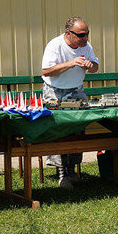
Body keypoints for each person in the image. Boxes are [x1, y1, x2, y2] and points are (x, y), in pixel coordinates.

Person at [41, 16, 99, 189]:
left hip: (76, 90)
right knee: (59, 130)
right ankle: (61, 173)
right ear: (68, 33)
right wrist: (71, 63)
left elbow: (96, 67)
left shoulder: (86, 46)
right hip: (55, 91)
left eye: (87, 34)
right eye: (81, 35)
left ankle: (72, 169)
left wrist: (90, 65)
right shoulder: (55, 45)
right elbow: (46, 71)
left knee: (78, 129)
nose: (85, 38)